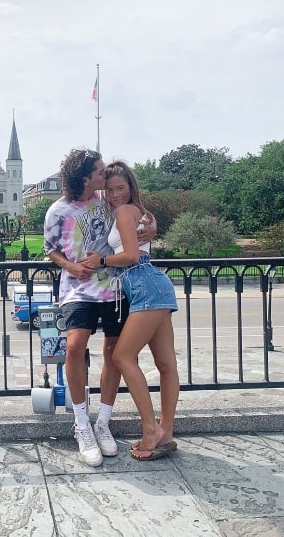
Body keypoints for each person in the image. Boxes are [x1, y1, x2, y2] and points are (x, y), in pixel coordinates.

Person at [44, 148, 156, 466]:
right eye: (98, 171)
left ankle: (103, 422)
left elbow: (137, 214)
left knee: (113, 353)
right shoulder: (58, 210)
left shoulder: (108, 202)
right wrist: (72, 266)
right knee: (75, 347)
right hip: (78, 289)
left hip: (114, 287)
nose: (104, 174)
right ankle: (82, 424)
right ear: (84, 177)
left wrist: (152, 226)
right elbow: (50, 249)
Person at [83, 159, 179, 461]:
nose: (113, 195)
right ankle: (167, 432)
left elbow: (131, 256)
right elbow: (142, 238)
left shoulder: (125, 211)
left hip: (145, 286)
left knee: (122, 356)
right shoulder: (139, 212)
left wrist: (99, 261)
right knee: (166, 365)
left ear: (130, 187)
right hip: (155, 286)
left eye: (120, 188)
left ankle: (151, 430)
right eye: (109, 190)